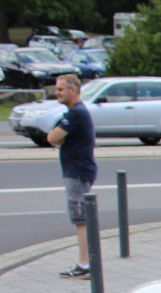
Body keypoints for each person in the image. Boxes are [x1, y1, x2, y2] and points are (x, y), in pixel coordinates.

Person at [47, 73, 97, 279]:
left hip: (77, 171)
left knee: (81, 218)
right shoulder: (75, 113)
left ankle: (85, 263)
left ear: (73, 90)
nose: (56, 93)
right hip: (77, 170)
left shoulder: (76, 113)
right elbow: (55, 138)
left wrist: (58, 137)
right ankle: (85, 262)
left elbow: (53, 137)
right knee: (81, 217)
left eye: (60, 89)